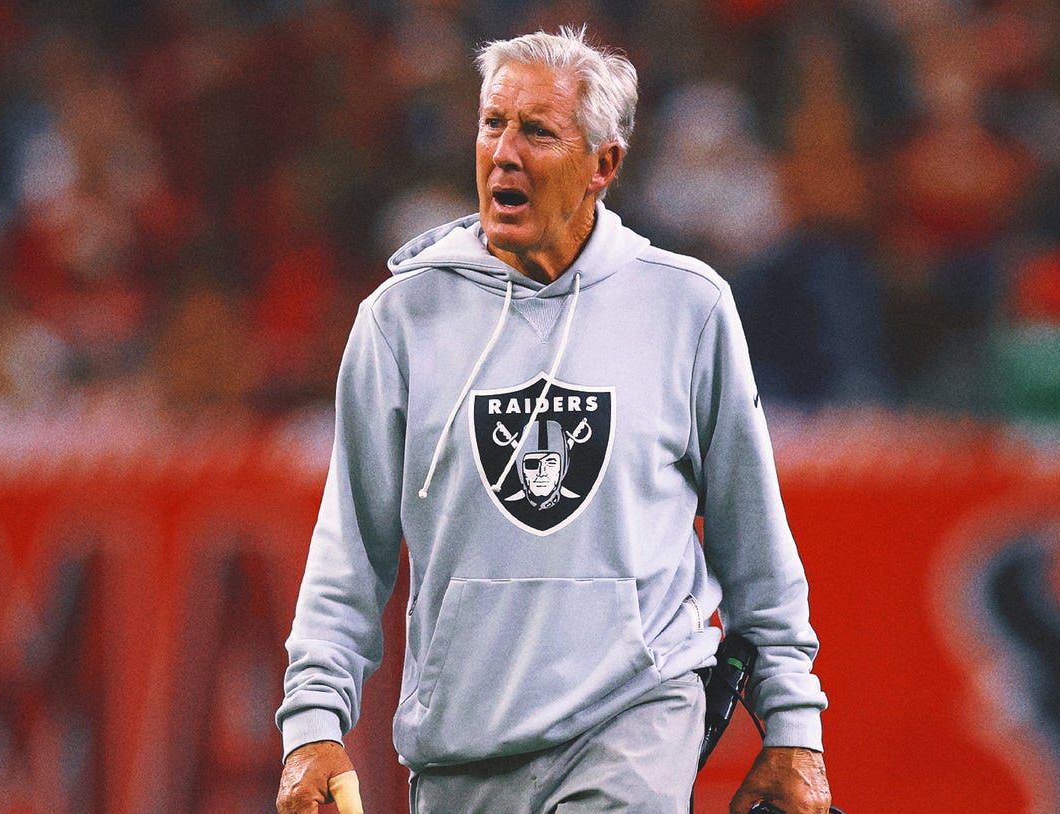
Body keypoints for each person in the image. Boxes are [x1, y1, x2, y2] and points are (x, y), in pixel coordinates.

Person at [276, 27, 832, 814]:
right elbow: (349, 555)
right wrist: (311, 724)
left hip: (636, 718)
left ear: (603, 164)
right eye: (492, 124)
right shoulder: (399, 321)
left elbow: (755, 548)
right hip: (462, 748)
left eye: (537, 131)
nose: (504, 152)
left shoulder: (687, 308)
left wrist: (794, 726)